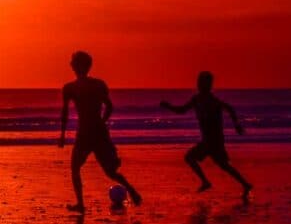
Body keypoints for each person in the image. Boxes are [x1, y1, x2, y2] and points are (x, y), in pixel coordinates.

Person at [59, 51, 142, 212]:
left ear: (79, 65)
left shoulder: (70, 88)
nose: (71, 65)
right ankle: (132, 191)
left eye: (73, 62)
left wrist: (62, 136)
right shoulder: (98, 85)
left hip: (84, 133)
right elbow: (109, 107)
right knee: (110, 171)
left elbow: (65, 113)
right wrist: (101, 124)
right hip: (98, 131)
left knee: (75, 168)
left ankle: (81, 204)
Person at [160, 71, 252, 198]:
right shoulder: (196, 99)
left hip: (215, 140)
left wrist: (236, 125)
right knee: (223, 165)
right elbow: (182, 110)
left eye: (203, 83)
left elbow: (229, 108)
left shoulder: (212, 100)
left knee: (192, 158)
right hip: (208, 140)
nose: (199, 85)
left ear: (208, 85)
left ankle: (207, 182)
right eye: (199, 82)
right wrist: (169, 107)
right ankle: (244, 184)